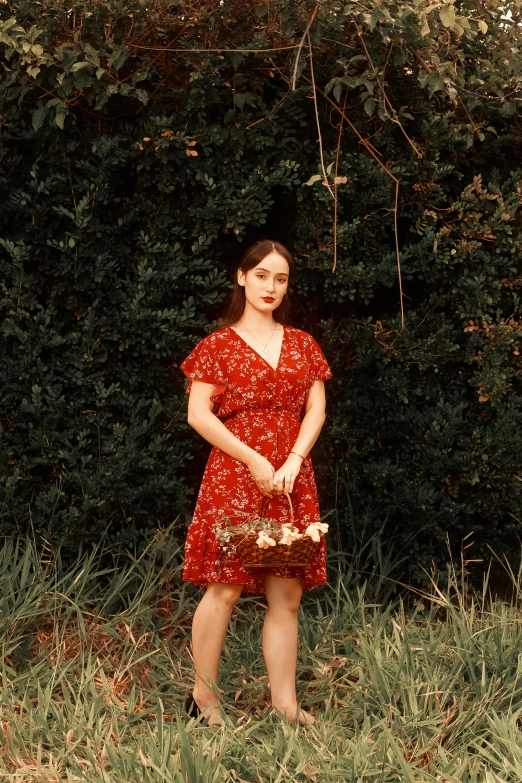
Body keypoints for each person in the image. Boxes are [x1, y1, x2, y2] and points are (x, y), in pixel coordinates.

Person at [180, 239, 332, 726]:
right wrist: (252, 460)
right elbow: (197, 414)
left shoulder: (304, 343)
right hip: (234, 475)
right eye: (262, 275)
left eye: (281, 278)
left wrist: (291, 460)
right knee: (222, 587)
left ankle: (285, 705)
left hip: (291, 479)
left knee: (286, 595)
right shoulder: (217, 346)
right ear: (242, 278)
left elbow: (316, 409)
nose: (271, 286)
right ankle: (204, 699)